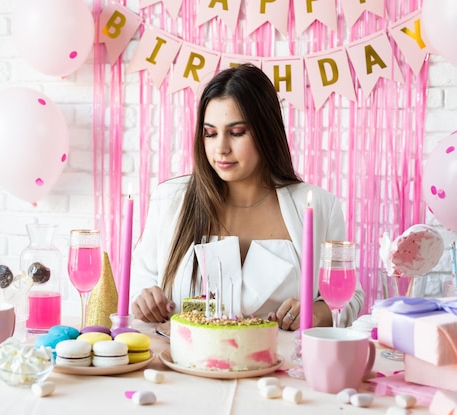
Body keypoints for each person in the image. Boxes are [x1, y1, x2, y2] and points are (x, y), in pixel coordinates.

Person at [129, 64, 363, 330]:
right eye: (210, 133)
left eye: (237, 133)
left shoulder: (318, 205)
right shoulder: (171, 199)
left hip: (280, 367)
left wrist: (317, 312)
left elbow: (351, 297)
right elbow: (137, 281)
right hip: (184, 365)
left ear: (266, 132)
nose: (221, 148)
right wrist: (143, 298)